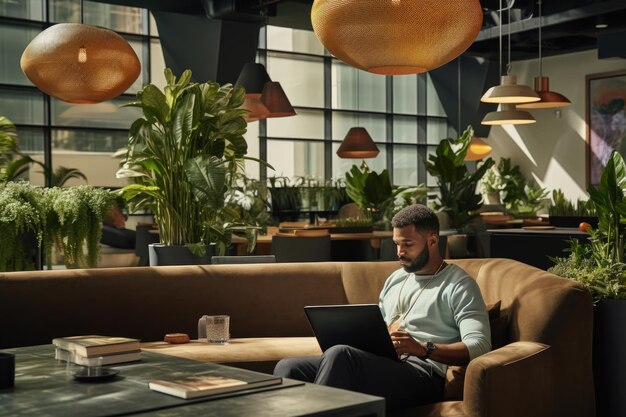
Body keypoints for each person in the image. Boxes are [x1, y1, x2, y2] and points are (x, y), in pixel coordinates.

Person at [273, 204, 491, 409]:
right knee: (289, 367)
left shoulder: (459, 285)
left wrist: (425, 348)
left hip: (424, 375)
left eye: (407, 244)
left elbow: (479, 346)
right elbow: (380, 330)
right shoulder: (396, 279)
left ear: (432, 241)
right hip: (388, 364)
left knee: (340, 356)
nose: (399, 252)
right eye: (397, 244)